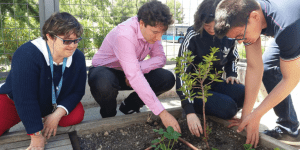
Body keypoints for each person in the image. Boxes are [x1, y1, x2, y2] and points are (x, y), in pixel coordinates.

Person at [214, 0, 300, 147]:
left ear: (254, 17)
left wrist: (257, 114)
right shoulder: (249, 17)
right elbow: (255, 67)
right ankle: (289, 129)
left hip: (293, 26)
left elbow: (291, 79)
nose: (240, 42)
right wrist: (247, 115)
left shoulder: (285, 26)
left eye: (241, 35)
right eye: (236, 38)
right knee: (268, 66)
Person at [88, 0, 181, 133]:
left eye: (162, 32)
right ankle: (109, 116)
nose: (159, 38)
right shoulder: (125, 34)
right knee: (103, 83)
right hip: (107, 71)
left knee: (167, 78)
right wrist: (162, 113)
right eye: (155, 32)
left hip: (132, 70)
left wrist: (140, 68)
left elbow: (160, 58)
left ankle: (130, 106)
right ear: (141, 23)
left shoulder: (153, 32)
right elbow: (135, 76)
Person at [0, 12, 86, 149]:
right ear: (50, 36)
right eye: (67, 41)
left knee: (76, 115)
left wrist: (57, 114)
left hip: (52, 103)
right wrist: (36, 135)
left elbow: (78, 91)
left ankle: (41, 118)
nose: (73, 46)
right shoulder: (27, 54)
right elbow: (25, 98)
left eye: (76, 40)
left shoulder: (78, 57)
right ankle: (31, 121)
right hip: (15, 101)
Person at [176, 0, 245, 138]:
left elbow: (232, 57)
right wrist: (189, 111)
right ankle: (201, 107)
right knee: (229, 107)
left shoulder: (228, 34)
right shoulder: (193, 35)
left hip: (213, 82)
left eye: (216, 26)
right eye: (207, 25)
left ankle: (221, 111)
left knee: (243, 93)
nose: (212, 29)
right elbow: (181, 72)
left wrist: (232, 74)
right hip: (195, 88)